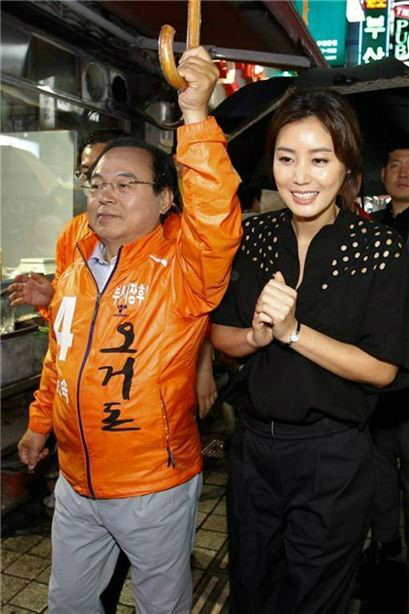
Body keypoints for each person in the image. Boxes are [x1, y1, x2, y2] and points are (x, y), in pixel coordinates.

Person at [15, 46, 242, 614]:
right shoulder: (76, 265)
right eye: (96, 184)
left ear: (165, 199)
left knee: (160, 606)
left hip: (152, 486)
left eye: (125, 183)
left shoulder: (184, 271)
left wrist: (196, 117)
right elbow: (61, 356)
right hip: (76, 480)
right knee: (68, 603)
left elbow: (216, 217)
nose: (105, 195)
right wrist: (39, 424)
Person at [210, 88, 409, 614]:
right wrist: (255, 337)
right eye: (286, 158)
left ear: (346, 165)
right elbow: (222, 335)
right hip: (253, 451)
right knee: (252, 591)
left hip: (332, 457)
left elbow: (381, 369)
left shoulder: (380, 250)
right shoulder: (253, 237)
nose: (301, 176)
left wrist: (293, 331)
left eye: (319, 160)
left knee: (314, 601)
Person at [364, 146, 409, 562]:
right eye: (396, 165)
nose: (403, 173)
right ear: (383, 173)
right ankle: (385, 543)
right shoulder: (371, 227)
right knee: (376, 464)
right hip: (375, 366)